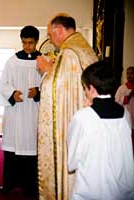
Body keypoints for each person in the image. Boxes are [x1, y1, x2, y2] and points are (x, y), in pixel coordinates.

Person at [36, 14, 98, 200]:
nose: (50, 38)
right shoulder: (83, 47)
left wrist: (47, 70)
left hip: (71, 120)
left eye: (50, 34)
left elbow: (54, 88)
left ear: (60, 30)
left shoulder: (69, 52)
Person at [67, 61, 134, 200]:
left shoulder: (82, 117)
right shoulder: (125, 114)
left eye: (84, 88)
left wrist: (86, 110)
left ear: (91, 89)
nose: (85, 92)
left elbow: (72, 161)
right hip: (123, 191)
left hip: (91, 190)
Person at [0, 25, 41, 197]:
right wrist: (12, 93)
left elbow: (50, 84)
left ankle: (31, 185)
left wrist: (38, 92)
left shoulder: (43, 62)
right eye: (24, 43)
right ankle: (9, 183)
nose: (27, 46)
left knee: (32, 149)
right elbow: (3, 84)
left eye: (30, 43)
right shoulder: (12, 61)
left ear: (36, 42)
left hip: (34, 111)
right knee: (12, 149)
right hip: (16, 113)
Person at [115, 66, 134, 153]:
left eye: (131, 73)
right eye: (128, 73)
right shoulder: (122, 88)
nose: (129, 75)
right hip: (127, 119)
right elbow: (116, 102)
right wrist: (129, 96)